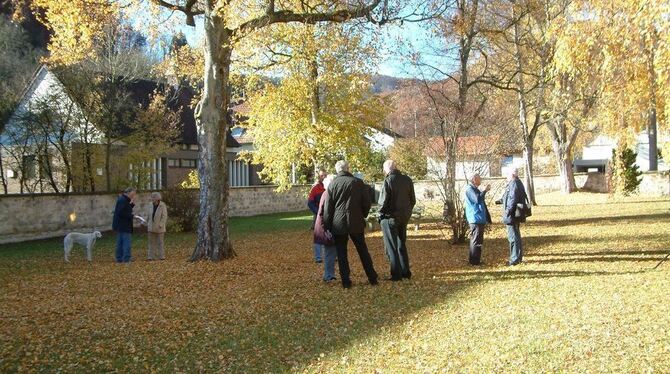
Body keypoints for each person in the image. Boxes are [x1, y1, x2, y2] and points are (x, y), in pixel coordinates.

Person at [323, 160, 378, 288]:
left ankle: (346, 281)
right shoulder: (357, 183)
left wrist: (327, 225)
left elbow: (328, 208)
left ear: (337, 170)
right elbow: (367, 202)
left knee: (342, 253)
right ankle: (372, 277)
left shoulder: (333, 185)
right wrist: (362, 214)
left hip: (338, 223)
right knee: (363, 251)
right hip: (356, 221)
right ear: (348, 168)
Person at [378, 160, 416, 281]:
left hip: (391, 217)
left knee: (392, 246)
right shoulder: (407, 180)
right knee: (401, 244)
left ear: (386, 169)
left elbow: (383, 202)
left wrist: (380, 214)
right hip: (404, 216)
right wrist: (407, 212)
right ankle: (405, 271)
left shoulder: (388, 181)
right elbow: (412, 200)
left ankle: (396, 274)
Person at [501, 168, 528, 266]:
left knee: (513, 237)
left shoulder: (513, 184)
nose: (506, 177)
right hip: (516, 213)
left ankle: (514, 259)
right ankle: (517, 257)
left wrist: (507, 211)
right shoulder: (518, 182)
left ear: (511, 174)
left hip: (512, 214)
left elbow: (512, 199)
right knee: (516, 235)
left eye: (507, 174)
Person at [464, 173, 491, 266]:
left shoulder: (475, 189)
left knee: (478, 240)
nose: (481, 180)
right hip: (475, 218)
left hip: (479, 218)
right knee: (476, 240)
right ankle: (474, 261)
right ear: (474, 179)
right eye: (479, 178)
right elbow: (477, 199)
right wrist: (485, 190)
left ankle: (476, 260)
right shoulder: (469, 189)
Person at [314, 175, 337, 281]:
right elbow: (325, 213)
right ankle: (328, 275)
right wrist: (327, 229)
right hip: (326, 227)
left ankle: (329, 274)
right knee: (329, 252)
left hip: (326, 226)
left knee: (331, 252)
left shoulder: (327, 193)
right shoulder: (328, 194)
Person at [308, 169, 327, 263]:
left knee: (329, 235)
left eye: (325, 175)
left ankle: (329, 255)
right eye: (322, 175)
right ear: (319, 177)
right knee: (318, 235)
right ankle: (318, 257)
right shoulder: (315, 188)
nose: (324, 177)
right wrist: (318, 212)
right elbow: (310, 203)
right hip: (319, 216)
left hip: (328, 215)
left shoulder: (327, 188)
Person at [113, 187, 136, 263]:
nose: (134, 195)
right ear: (128, 192)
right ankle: (126, 258)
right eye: (133, 193)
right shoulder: (123, 200)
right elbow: (122, 213)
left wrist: (132, 204)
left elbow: (126, 208)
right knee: (126, 243)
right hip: (124, 225)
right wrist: (131, 215)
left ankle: (119, 258)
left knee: (120, 242)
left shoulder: (123, 199)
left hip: (121, 225)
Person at [146, 192, 168, 261]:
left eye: (153, 197)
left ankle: (161, 256)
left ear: (157, 198)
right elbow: (148, 215)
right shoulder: (150, 205)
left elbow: (164, 216)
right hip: (151, 227)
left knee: (160, 242)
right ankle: (151, 256)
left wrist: (161, 225)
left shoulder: (162, 205)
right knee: (151, 242)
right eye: (152, 197)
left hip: (159, 228)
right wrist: (147, 222)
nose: (152, 198)